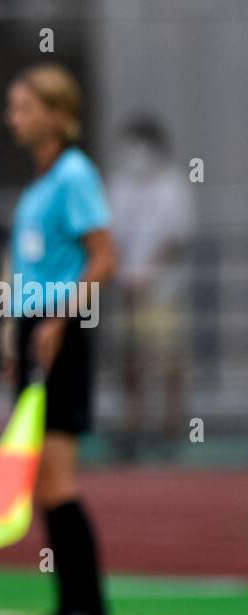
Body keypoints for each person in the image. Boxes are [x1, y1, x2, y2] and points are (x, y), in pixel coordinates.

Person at [1, 65, 117, 615]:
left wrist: (58, 317)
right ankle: (70, 610)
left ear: (54, 113)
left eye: (23, 107)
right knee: (43, 480)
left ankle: (91, 614)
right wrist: (15, 340)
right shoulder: (40, 181)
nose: (12, 118)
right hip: (33, 331)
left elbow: (103, 256)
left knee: (58, 479)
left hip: (60, 332)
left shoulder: (74, 174)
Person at [107, 115, 195, 457]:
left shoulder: (173, 186)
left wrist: (148, 270)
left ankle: (171, 426)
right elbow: (110, 232)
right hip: (127, 287)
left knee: (167, 357)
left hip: (163, 289)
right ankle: (133, 423)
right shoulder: (120, 185)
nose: (134, 155)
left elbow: (177, 237)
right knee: (131, 357)